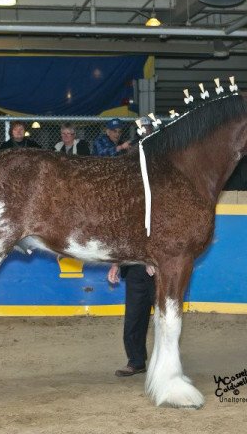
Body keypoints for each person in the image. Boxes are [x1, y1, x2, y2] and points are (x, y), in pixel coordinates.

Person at [106, 115, 155, 377]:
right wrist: (117, 261)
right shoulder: (130, 196)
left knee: (164, 316)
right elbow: (127, 230)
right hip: (135, 264)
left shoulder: (160, 187)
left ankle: (164, 362)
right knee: (134, 318)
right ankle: (136, 361)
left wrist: (152, 257)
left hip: (157, 264)